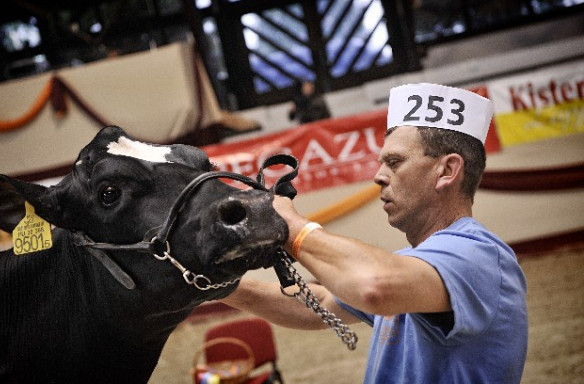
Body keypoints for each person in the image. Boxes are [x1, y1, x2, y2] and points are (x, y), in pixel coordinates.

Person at [222, 83, 528, 383]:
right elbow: (322, 302)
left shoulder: (478, 255)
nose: (378, 176)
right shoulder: (415, 262)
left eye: (394, 162)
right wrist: (216, 284)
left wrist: (292, 227)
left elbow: (373, 285)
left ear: (447, 171)